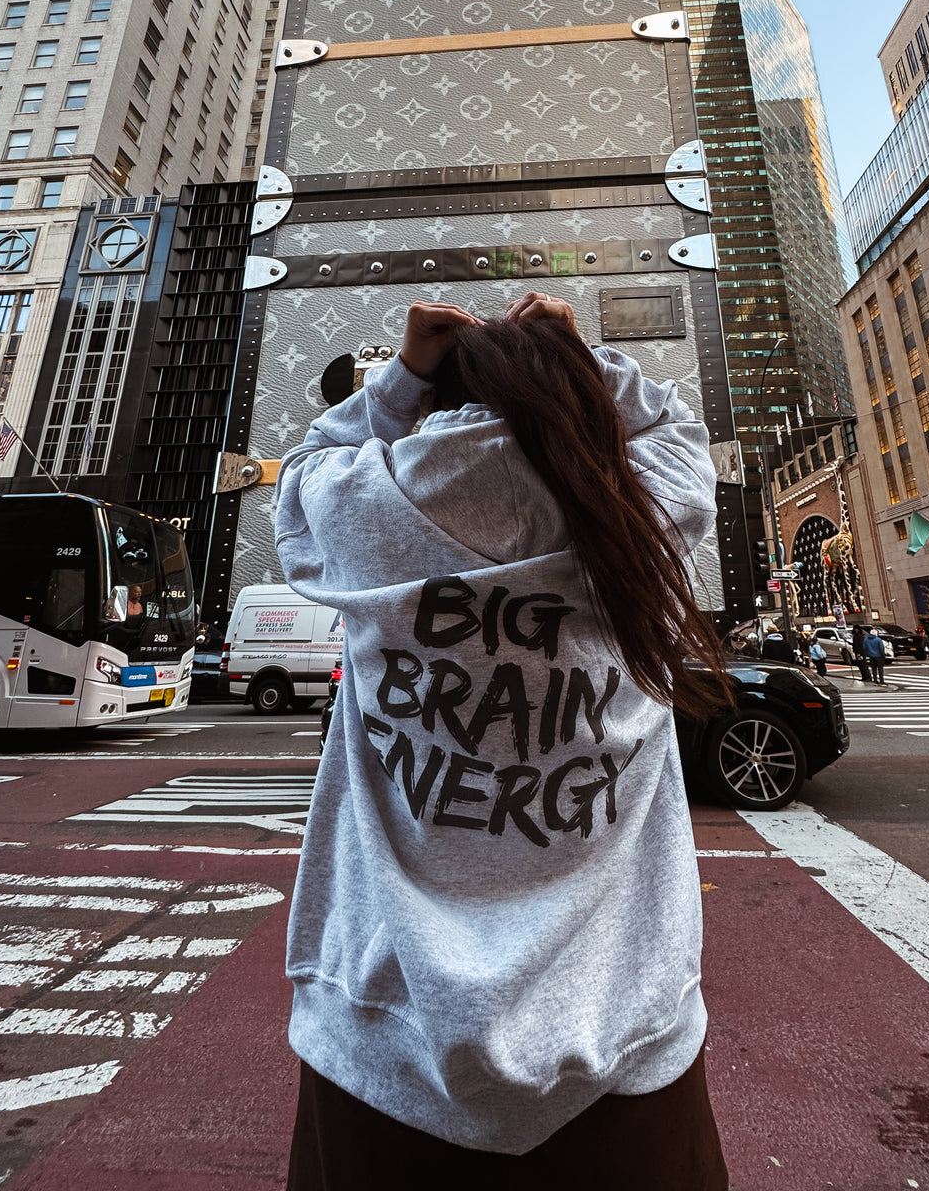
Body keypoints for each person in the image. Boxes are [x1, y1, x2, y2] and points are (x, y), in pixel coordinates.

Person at [274, 293, 730, 1189]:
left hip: (388, 1049)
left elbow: (302, 467)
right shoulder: (638, 507)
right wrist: (572, 353)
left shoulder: (365, 505)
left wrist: (401, 380)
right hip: (624, 1053)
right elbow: (670, 425)